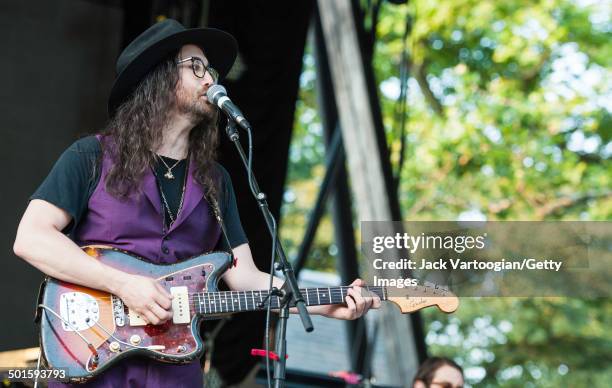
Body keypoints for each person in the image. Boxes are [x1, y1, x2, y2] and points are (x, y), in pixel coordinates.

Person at [13, 19, 380, 387]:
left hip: (174, 373)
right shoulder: (90, 156)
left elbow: (247, 277)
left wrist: (327, 303)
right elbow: (31, 238)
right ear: (157, 78)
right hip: (92, 358)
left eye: (212, 71)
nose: (211, 81)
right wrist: (123, 285)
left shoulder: (215, 181)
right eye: (197, 68)